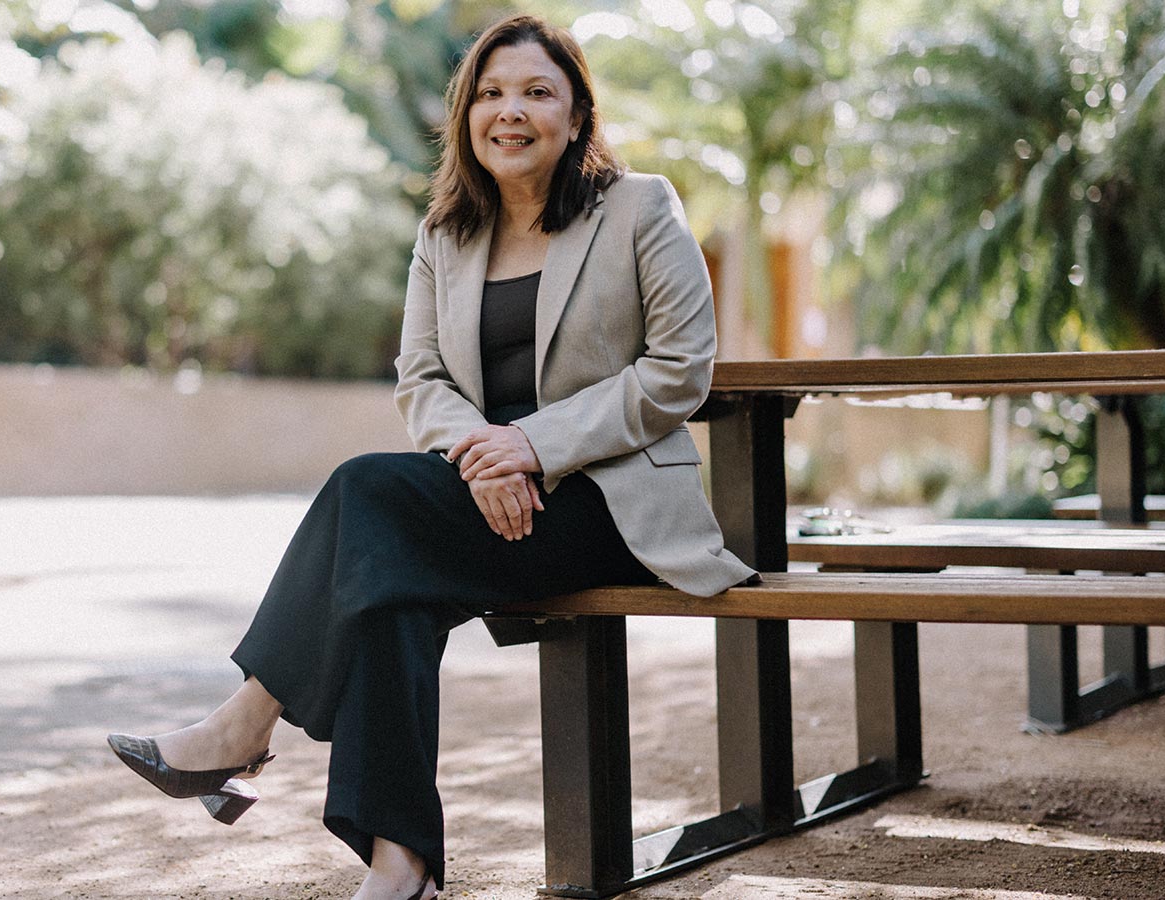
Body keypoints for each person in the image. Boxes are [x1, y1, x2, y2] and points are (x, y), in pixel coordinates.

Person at [107, 14, 754, 900]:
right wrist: (486, 459)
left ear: (575, 116)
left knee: (364, 494)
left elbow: (680, 371)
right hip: (483, 502)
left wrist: (530, 443)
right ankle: (398, 867)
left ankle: (246, 726)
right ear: (466, 115)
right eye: (490, 93)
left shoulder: (641, 209)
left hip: (608, 504)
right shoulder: (445, 237)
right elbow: (420, 382)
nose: (510, 110)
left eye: (536, 92)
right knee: (387, 593)